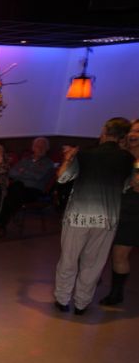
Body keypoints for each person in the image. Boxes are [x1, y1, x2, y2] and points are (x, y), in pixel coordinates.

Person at [54, 118, 134, 315]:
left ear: (104, 131)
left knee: (69, 259)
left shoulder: (85, 155)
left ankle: (62, 299)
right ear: (123, 136)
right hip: (106, 218)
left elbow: (63, 177)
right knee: (94, 263)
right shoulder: (127, 159)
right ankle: (81, 303)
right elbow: (128, 186)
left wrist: (68, 158)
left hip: (78, 215)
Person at [100, 118, 139, 306]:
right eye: (132, 130)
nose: (134, 134)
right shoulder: (121, 154)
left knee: (120, 254)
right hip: (112, 207)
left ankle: (116, 293)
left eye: (138, 132)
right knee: (100, 248)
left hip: (133, 212)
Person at [0, 137, 55, 236]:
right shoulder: (25, 160)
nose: (40, 148)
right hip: (19, 189)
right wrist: (27, 172)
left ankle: (1, 225)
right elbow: (11, 173)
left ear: (47, 149)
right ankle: (2, 225)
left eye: (43, 146)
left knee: (11, 194)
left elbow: (38, 176)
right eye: (37, 146)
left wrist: (22, 171)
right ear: (33, 148)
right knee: (15, 189)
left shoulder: (48, 163)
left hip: (34, 190)